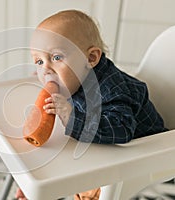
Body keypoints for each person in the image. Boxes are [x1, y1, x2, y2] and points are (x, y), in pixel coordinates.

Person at [16, 9, 167, 200]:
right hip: (100, 144)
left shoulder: (113, 91)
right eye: (39, 61)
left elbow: (121, 130)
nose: (45, 69)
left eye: (56, 58)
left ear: (91, 58)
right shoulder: (75, 77)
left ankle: (53, 190)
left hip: (141, 152)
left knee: (89, 190)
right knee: (51, 155)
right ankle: (38, 188)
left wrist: (72, 117)